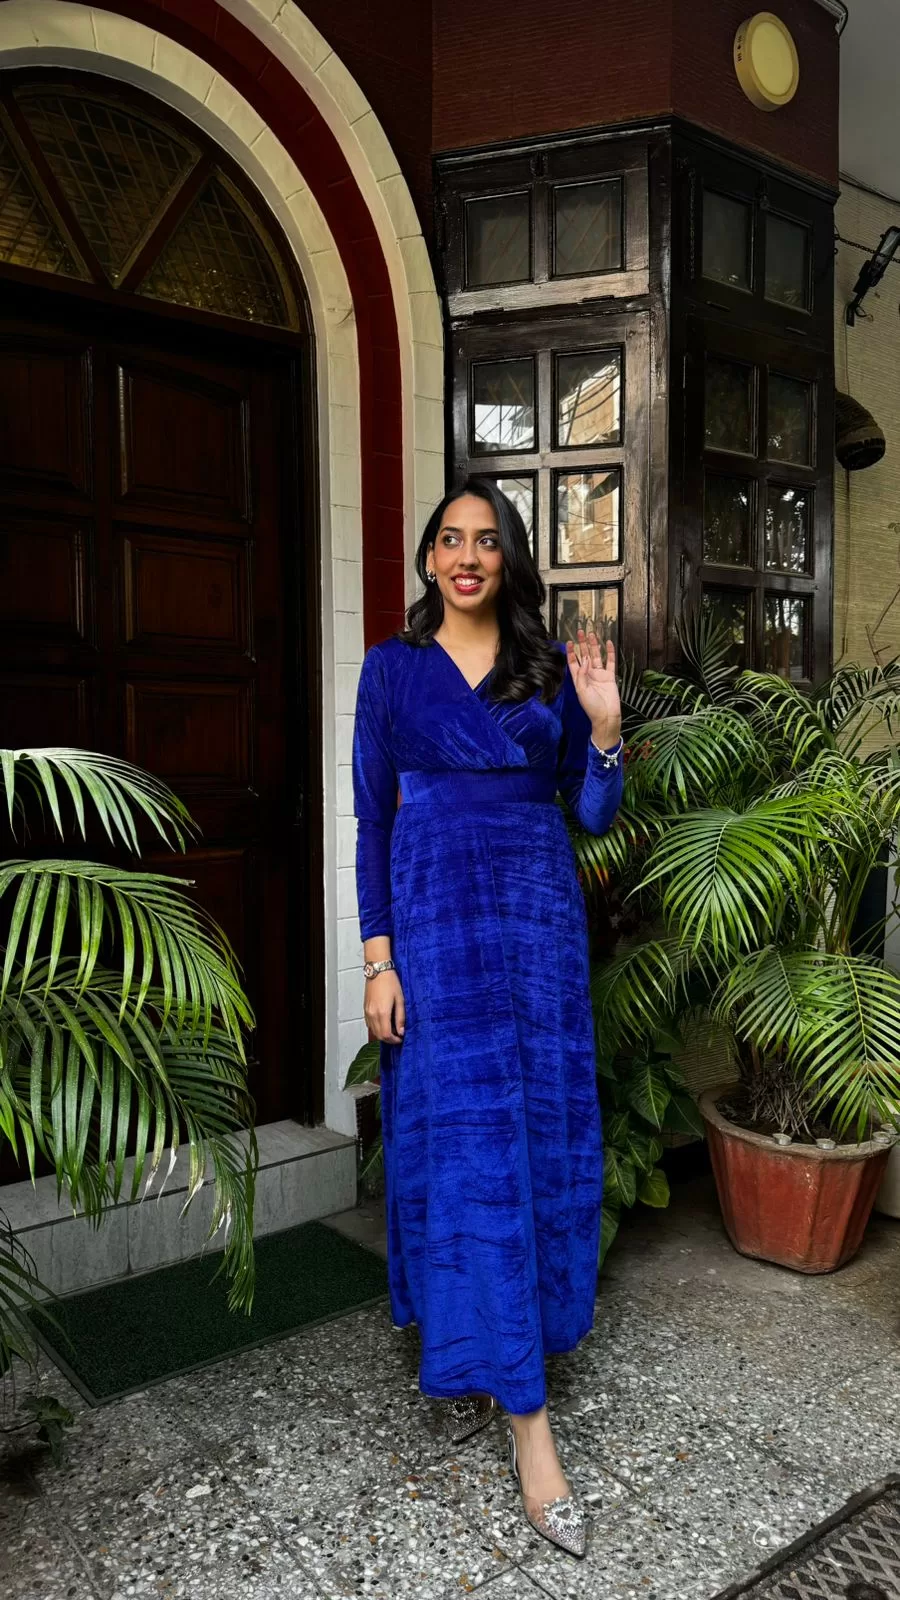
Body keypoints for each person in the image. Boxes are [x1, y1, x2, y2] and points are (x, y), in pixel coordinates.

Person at [351, 476, 623, 1559]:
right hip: (434, 938)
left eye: (487, 541)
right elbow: (371, 822)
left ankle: (521, 1395)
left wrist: (604, 729)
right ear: (428, 558)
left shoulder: (547, 669)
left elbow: (592, 811)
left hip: (536, 938)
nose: (468, 556)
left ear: (507, 559)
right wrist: (379, 962)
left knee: (531, 1148)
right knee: (462, 1151)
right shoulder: (391, 669)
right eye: (450, 539)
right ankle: (515, 1399)